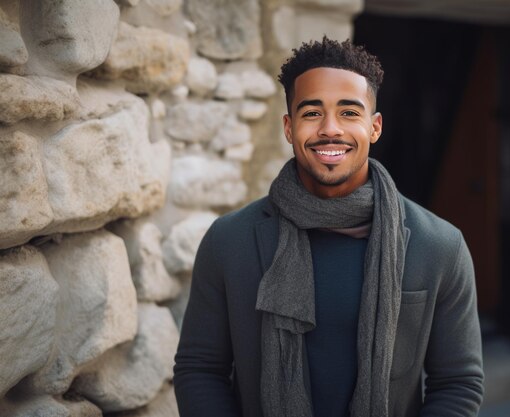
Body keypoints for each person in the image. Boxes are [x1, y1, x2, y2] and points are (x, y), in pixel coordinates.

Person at [173, 37, 484, 417]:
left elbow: (458, 383)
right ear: (289, 127)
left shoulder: (439, 245)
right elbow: (200, 370)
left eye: (350, 113)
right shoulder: (229, 240)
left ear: (375, 127)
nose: (330, 129)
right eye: (312, 113)